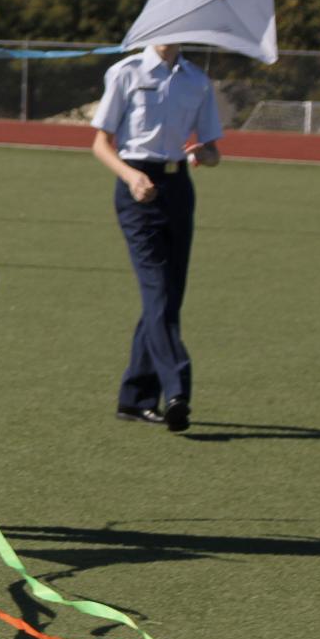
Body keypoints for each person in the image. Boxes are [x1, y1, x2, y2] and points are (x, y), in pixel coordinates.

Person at [90, 42, 222, 432]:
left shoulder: (197, 80)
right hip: (136, 187)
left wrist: (204, 153)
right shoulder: (126, 72)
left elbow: (214, 151)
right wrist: (131, 177)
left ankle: (134, 398)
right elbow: (100, 143)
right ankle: (177, 389)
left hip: (178, 187)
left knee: (168, 297)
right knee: (158, 292)